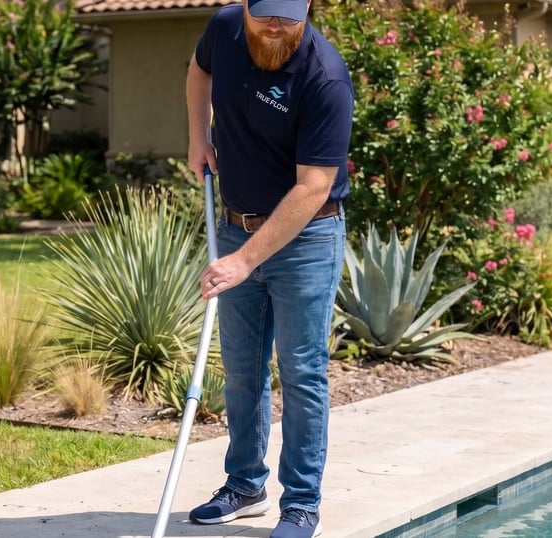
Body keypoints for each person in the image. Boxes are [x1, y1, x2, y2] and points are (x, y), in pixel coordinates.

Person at [186, 0, 353, 536]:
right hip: (236, 225)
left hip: (308, 239)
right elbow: (199, 70)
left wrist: (243, 260)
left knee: (302, 372)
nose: (276, 26)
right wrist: (198, 134)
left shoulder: (324, 77)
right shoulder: (224, 27)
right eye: (266, 15)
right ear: (245, 5)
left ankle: (301, 503)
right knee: (241, 368)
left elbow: (314, 187)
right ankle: (244, 485)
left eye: (288, 15)